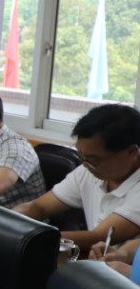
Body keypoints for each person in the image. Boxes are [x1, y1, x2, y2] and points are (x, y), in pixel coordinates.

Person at [17, 103, 140, 254]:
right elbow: (39, 207)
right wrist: (7, 221)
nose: (86, 165)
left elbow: (98, 237)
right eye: (82, 157)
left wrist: (33, 238)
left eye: (93, 160)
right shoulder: (89, 170)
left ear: (131, 152)